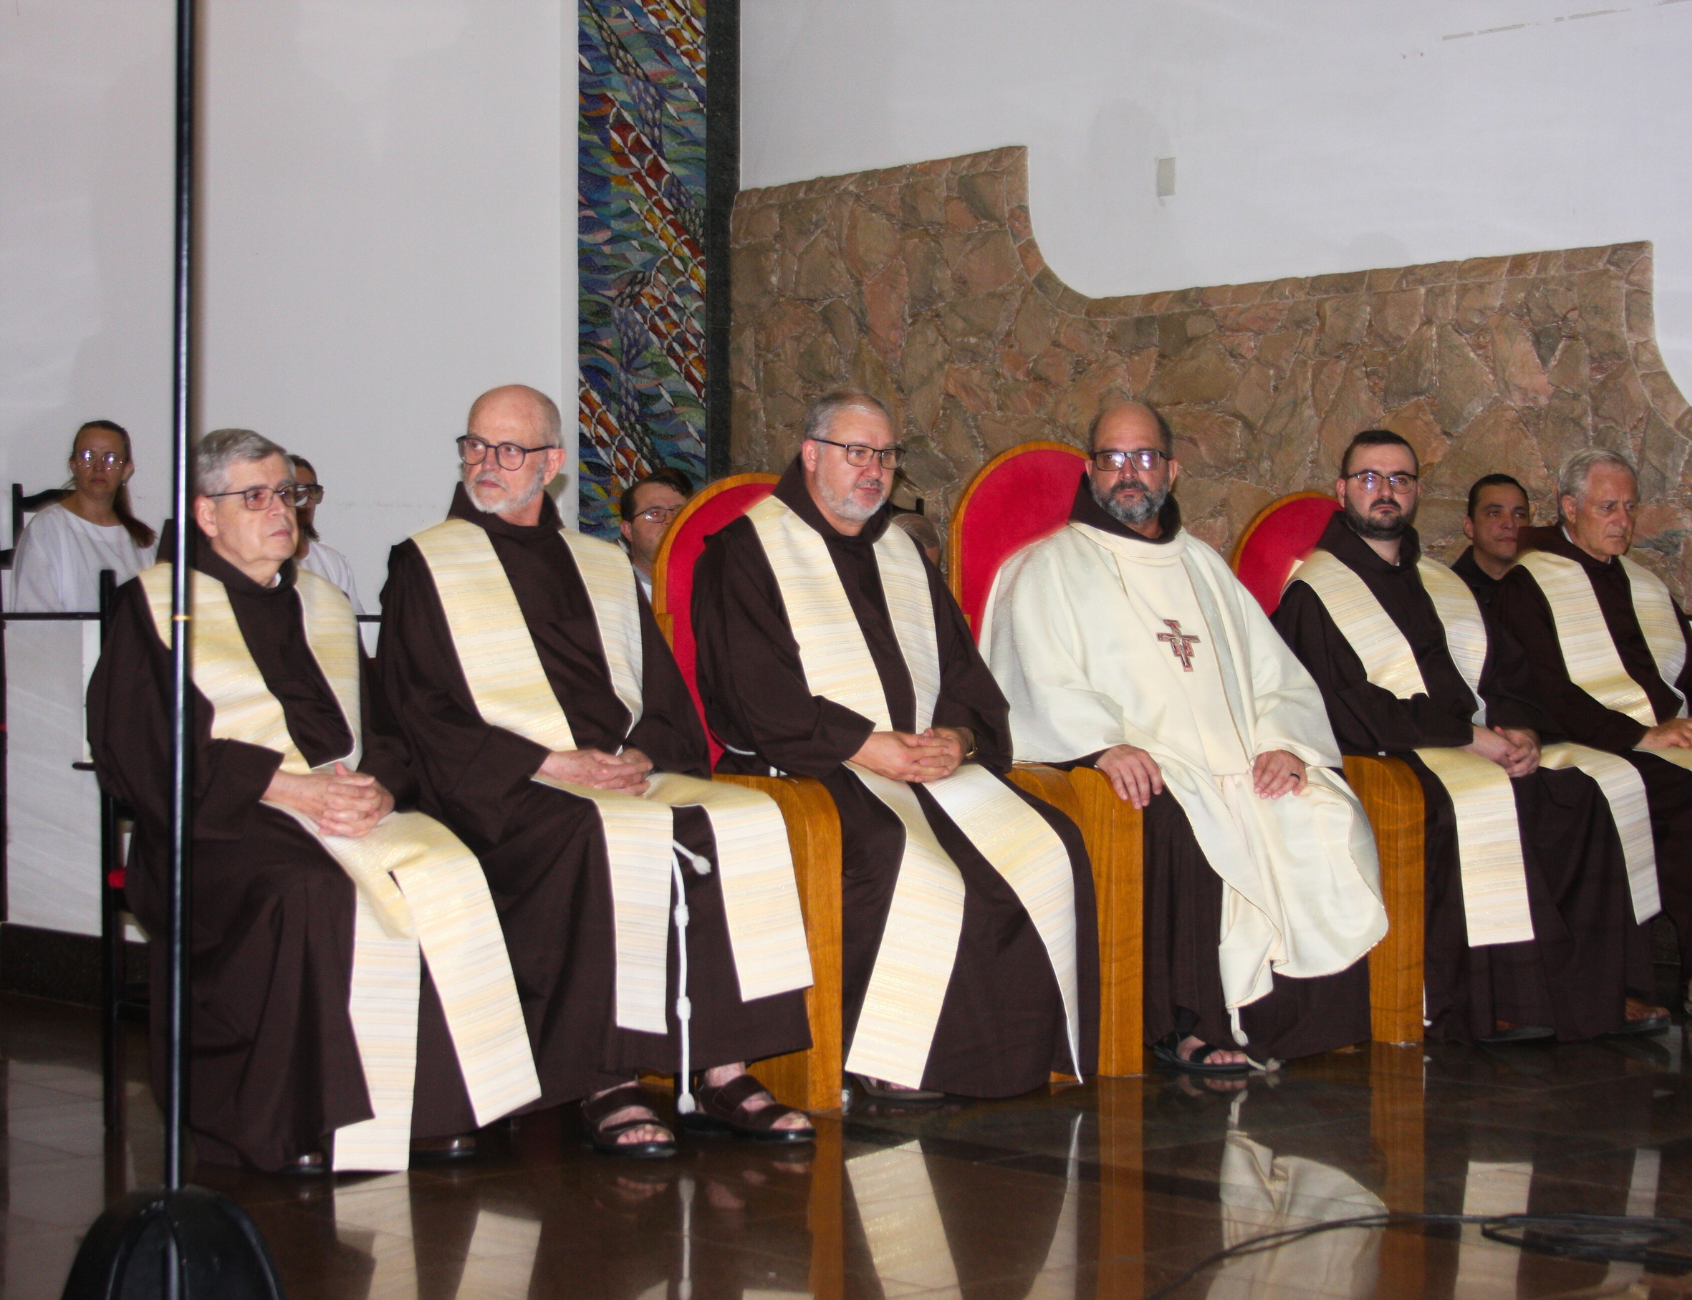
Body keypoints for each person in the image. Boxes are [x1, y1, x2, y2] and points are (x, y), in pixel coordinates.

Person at [377, 385, 815, 1157]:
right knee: (591, 833)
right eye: (475, 445)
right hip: (512, 787)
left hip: (617, 771)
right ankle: (605, 1078)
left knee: (740, 819)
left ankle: (721, 1068)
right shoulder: (426, 561)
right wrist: (547, 761)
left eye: (509, 450)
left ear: (551, 464)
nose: (487, 463)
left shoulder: (601, 564)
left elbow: (659, 685)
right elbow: (419, 705)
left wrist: (646, 750)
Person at [87, 428, 539, 1173]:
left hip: (336, 807)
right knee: (307, 890)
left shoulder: (322, 603)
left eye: (289, 494)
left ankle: (429, 1110)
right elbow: (141, 750)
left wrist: (379, 786)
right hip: (217, 825)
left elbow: (384, 722)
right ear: (206, 515)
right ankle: (303, 1121)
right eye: (256, 496)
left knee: (447, 866)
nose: (281, 510)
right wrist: (286, 788)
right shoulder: (160, 608)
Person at [691, 389, 1099, 1101]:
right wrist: (860, 744)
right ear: (811, 455)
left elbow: (964, 674)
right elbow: (750, 693)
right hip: (812, 768)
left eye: (885, 455)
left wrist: (959, 740)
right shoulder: (745, 551)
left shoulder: (902, 556)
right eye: (857, 453)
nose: (874, 470)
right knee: (907, 860)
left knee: (1050, 843)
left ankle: (1016, 1056)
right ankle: (888, 1059)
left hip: (917, 766)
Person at [981, 401, 1386, 1075]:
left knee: (1318, 806)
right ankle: (1188, 1025)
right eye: (1112, 460)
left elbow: (1274, 676)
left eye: (1143, 459)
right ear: (1090, 472)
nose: (1128, 475)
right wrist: (1102, 744)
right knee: (1176, 821)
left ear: (1172, 469)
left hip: (1237, 765)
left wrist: (1284, 743)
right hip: (1144, 766)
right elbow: (1032, 680)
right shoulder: (1046, 568)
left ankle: (1294, 1025)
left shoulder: (1203, 566)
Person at [1274, 430, 1667, 1044]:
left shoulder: (1440, 581)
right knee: (1485, 805)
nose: (1386, 492)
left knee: (1579, 798)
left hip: (1469, 742)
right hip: (1387, 757)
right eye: (1371, 478)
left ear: (1417, 493)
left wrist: (1523, 730)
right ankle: (1496, 1002)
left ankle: (1592, 993)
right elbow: (1339, 706)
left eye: (1400, 480)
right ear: (1342, 489)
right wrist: (1466, 736)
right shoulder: (1314, 590)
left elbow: (1505, 672)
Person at [1491, 448, 1692, 1022]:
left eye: (1630, 508)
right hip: (1583, 741)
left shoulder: (1647, 585)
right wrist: (1640, 736)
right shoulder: (1527, 585)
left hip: (1662, 741)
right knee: (1688, 791)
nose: (1622, 521)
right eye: (1607, 507)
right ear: (1570, 509)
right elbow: (1548, 691)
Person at [11, 419, 157, 611]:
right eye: (88, 456)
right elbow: (34, 618)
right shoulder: (46, 529)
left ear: (126, 470)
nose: (98, 467)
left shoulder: (143, 541)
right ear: (73, 464)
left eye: (110, 458)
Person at [288, 454, 364, 613]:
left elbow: (356, 625)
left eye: (312, 491)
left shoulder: (333, 562)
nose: (306, 500)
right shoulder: (256, 562)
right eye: (297, 491)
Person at [1452, 473, 1530, 601]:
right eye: (1495, 513)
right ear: (1470, 527)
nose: (1509, 524)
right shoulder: (1447, 590)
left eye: (1519, 515)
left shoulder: (1544, 591)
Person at [618, 469, 693, 603]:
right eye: (655, 514)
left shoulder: (711, 588)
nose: (670, 521)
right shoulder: (609, 592)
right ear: (628, 530)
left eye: (679, 513)